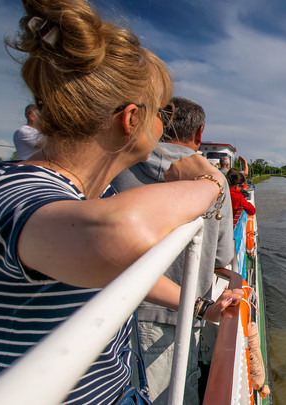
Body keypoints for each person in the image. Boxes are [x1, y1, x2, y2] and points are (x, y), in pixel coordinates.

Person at [0, 1, 239, 404]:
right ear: (130, 119)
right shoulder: (15, 191)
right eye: (162, 112)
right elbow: (114, 236)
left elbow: (126, 270)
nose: (164, 125)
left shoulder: (92, 195)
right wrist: (212, 183)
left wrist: (200, 308)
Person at [111, 96, 236, 404]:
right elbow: (222, 257)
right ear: (199, 133)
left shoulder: (121, 169)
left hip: (121, 313)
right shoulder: (213, 180)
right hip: (186, 311)